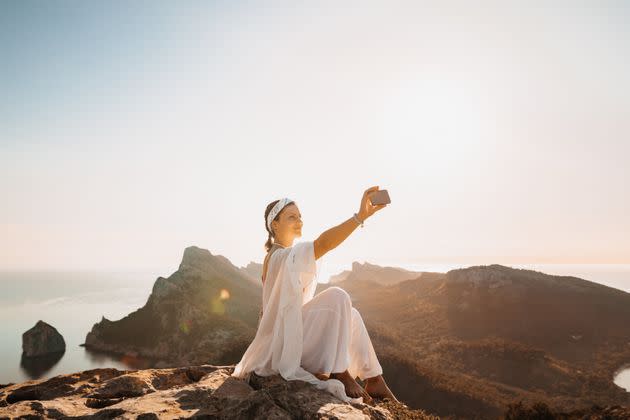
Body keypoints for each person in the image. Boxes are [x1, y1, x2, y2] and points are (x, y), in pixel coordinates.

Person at [231, 186, 398, 404]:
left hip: (291, 339)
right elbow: (324, 244)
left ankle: (374, 378)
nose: (299, 221)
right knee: (337, 296)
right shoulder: (278, 257)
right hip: (282, 350)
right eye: (291, 217)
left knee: (351, 313)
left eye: (300, 216)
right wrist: (360, 217)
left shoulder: (285, 257)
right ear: (275, 224)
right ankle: (339, 372)